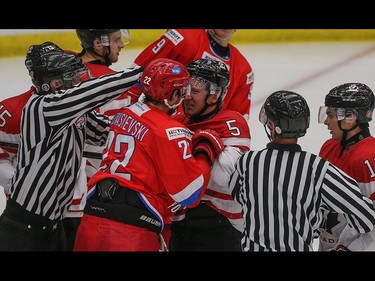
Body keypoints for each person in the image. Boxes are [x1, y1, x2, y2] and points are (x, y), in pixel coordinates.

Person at [0, 43, 143, 251]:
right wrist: (142, 72)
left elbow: (105, 132)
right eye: (69, 78)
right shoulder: (45, 107)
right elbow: (93, 92)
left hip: (52, 226)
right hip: (23, 228)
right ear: (53, 83)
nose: (76, 81)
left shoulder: (73, 111)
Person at [73, 58, 224, 252]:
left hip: (91, 219)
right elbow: (189, 194)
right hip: (130, 232)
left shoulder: (124, 113)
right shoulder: (170, 131)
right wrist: (204, 152)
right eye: (183, 90)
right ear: (174, 94)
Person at [228, 90, 375, 251]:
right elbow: (366, 218)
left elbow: (237, 197)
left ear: (272, 125)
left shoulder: (247, 162)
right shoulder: (318, 169)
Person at [169, 58, 251, 251]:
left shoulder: (232, 122)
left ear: (214, 96)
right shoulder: (176, 120)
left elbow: (225, 176)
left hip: (222, 221)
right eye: (186, 89)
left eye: (195, 91)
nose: (187, 96)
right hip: (181, 220)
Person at [62, 29, 133, 248]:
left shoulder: (58, 73)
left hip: (48, 196)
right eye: (116, 40)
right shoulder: (114, 88)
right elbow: (117, 142)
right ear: (98, 43)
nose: (121, 45)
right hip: (92, 198)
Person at [126, 29, 254, 121]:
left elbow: (236, 120)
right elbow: (135, 76)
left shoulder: (243, 70)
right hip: (161, 129)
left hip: (201, 139)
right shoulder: (183, 38)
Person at [317, 82, 375, 251]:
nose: (327, 122)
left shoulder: (369, 158)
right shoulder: (328, 147)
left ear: (350, 118)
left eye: (331, 115)